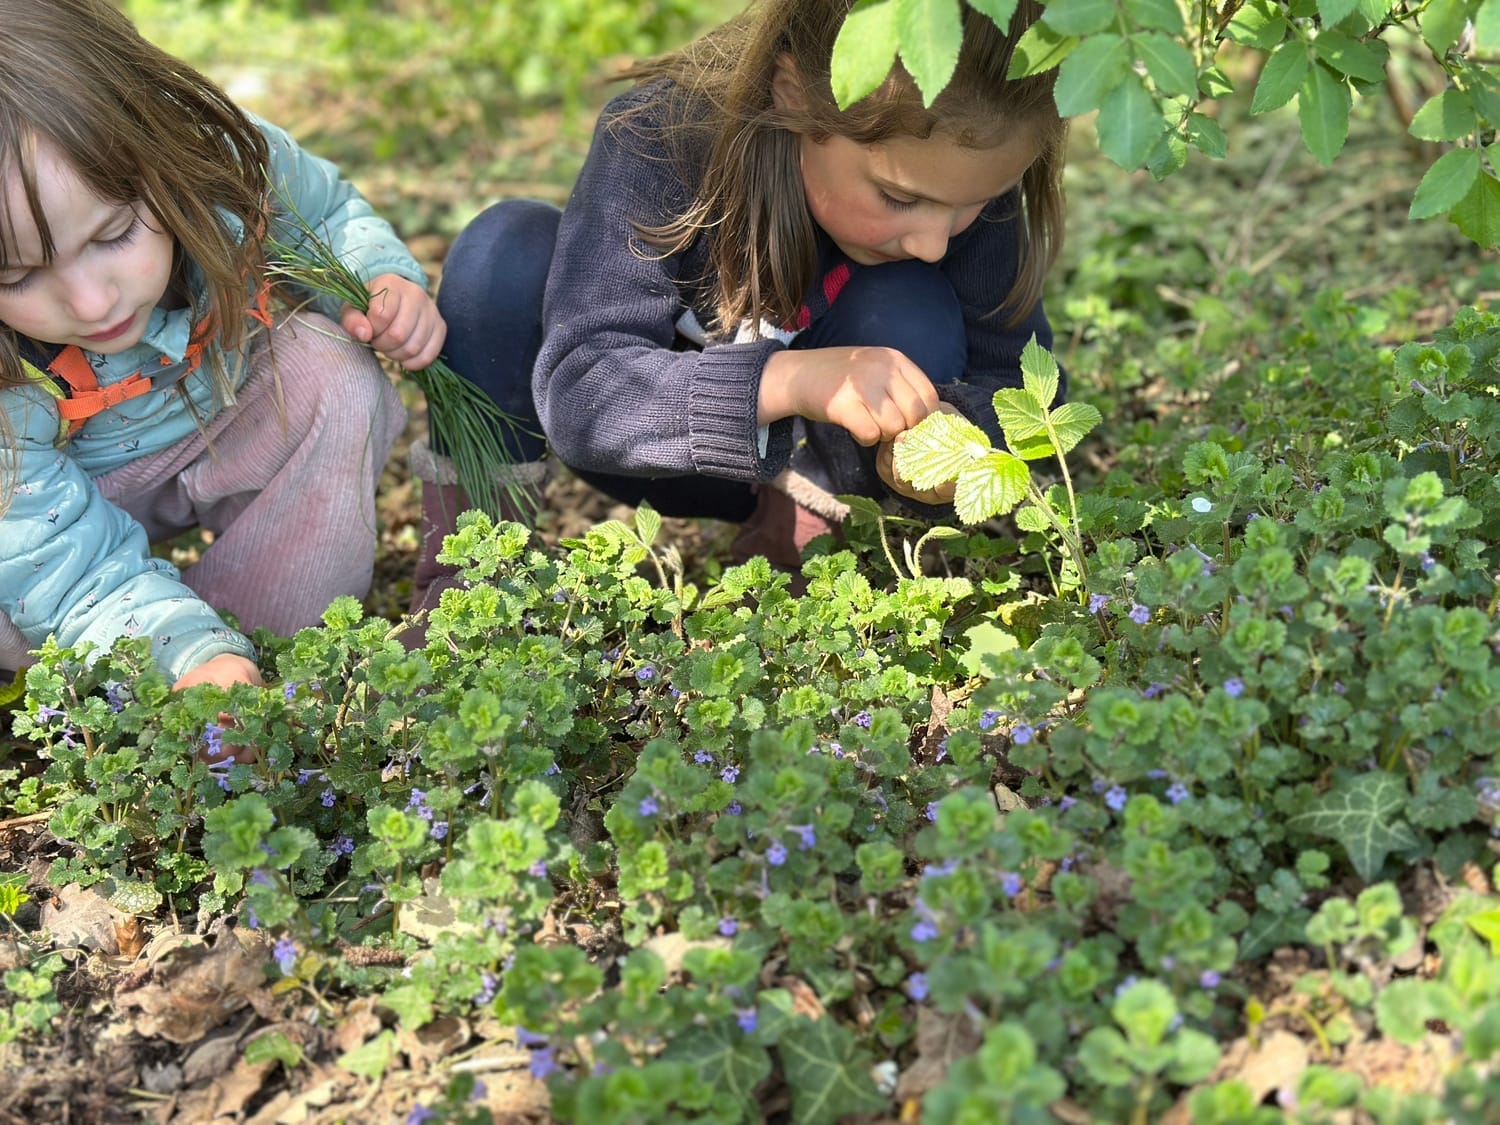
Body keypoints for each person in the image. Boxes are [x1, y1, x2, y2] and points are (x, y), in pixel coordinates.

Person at [417, 0, 1065, 610]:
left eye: (971, 204)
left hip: (820, 469)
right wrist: (790, 381)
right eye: (899, 198)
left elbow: (1025, 393)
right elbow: (585, 394)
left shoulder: (963, 169)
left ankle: (820, 548)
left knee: (909, 304)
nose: (932, 241)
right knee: (503, 250)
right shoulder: (657, 140)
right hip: (661, 447)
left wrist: (953, 434)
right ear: (794, 97)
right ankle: (470, 576)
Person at [0, 0, 445, 692]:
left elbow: (321, 214)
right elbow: (45, 555)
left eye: (113, 235)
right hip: (40, 507)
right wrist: (178, 649)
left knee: (332, 378)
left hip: (215, 416)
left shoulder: (217, 165)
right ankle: (175, 675)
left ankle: (269, 663)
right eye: (19, 276)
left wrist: (377, 281)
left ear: (160, 150)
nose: (91, 302)